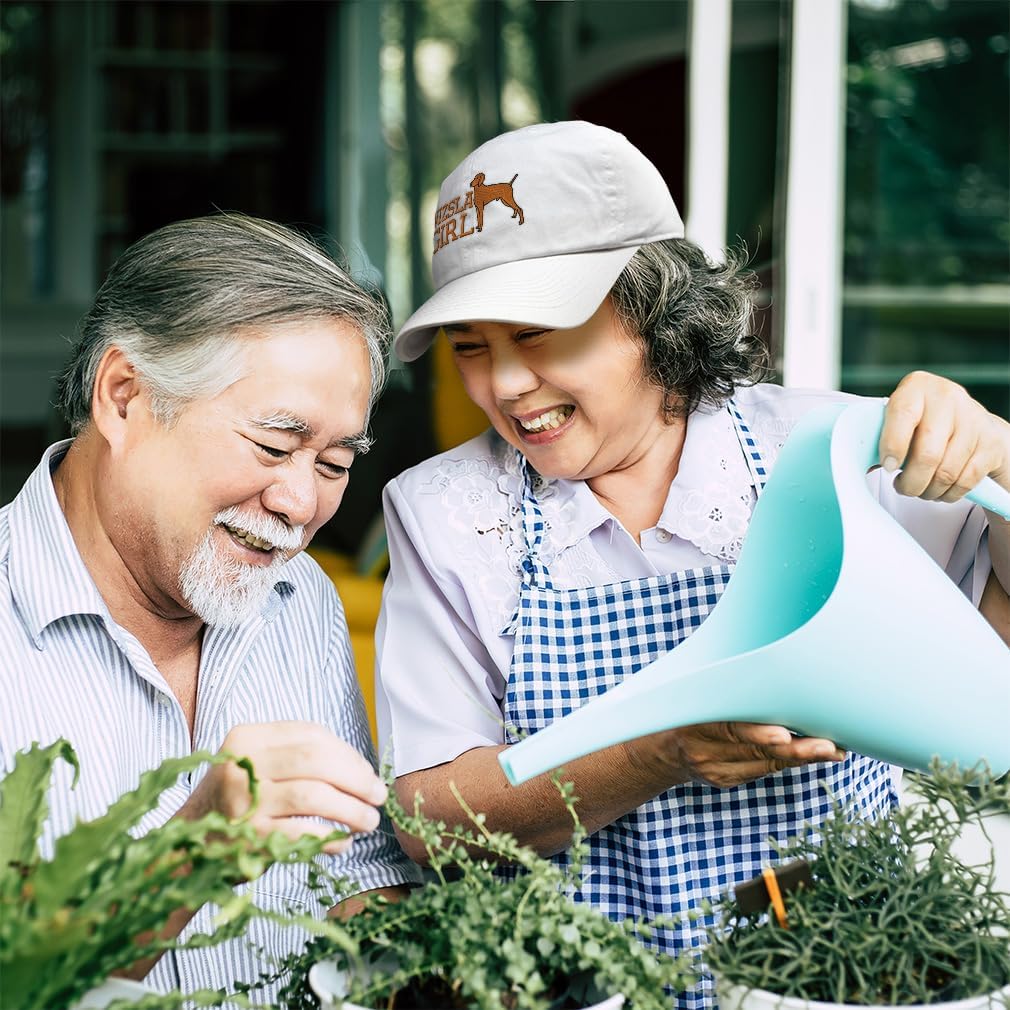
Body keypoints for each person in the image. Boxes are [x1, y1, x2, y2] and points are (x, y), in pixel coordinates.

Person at [375, 121, 1010, 1009]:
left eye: (538, 332)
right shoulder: (442, 512)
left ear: (654, 307)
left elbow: (993, 654)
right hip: (581, 989)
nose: (504, 385)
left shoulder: (831, 451)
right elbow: (432, 820)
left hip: (841, 977)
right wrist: (658, 751)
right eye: (470, 346)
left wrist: (999, 458)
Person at [0, 214, 421, 1004]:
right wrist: (190, 853)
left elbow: (357, 876)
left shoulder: (302, 602)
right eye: (272, 445)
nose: (300, 502)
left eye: (334, 463)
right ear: (124, 397)